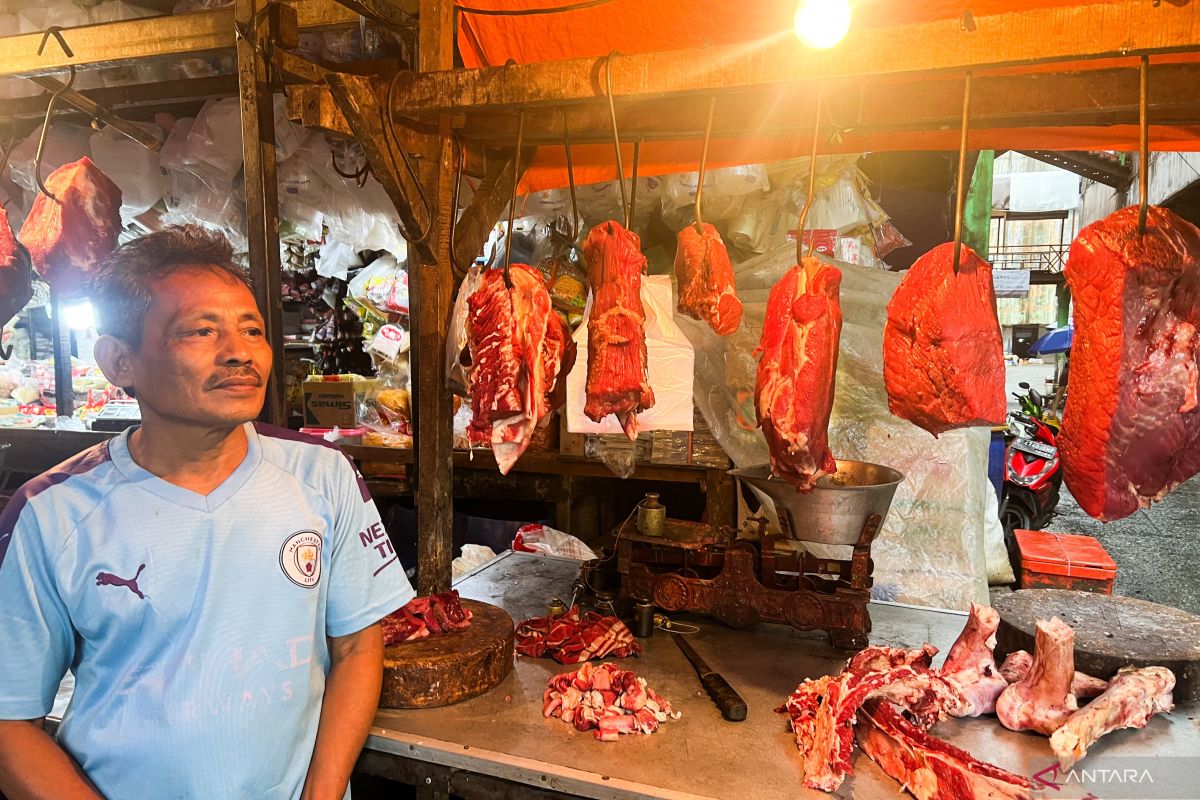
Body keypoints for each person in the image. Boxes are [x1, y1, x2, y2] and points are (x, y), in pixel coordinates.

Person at [0, 225, 414, 799]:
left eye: (252, 329)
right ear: (119, 360)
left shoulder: (322, 475)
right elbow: (9, 719)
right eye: (201, 330)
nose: (240, 352)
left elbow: (358, 645)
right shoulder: (53, 513)